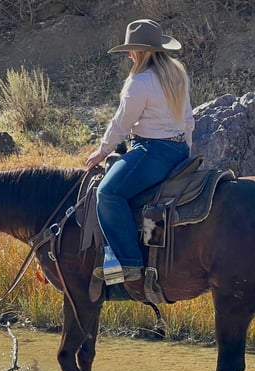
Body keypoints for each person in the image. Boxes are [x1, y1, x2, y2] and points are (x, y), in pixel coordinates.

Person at [86, 19, 195, 283]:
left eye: (132, 51)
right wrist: (187, 151)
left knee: (108, 193)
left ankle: (129, 263)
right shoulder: (176, 73)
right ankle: (150, 242)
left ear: (139, 52)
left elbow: (121, 123)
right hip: (179, 150)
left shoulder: (140, 82)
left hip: (152, 150)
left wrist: (101, 152)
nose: (130, 55)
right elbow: (189, 119)